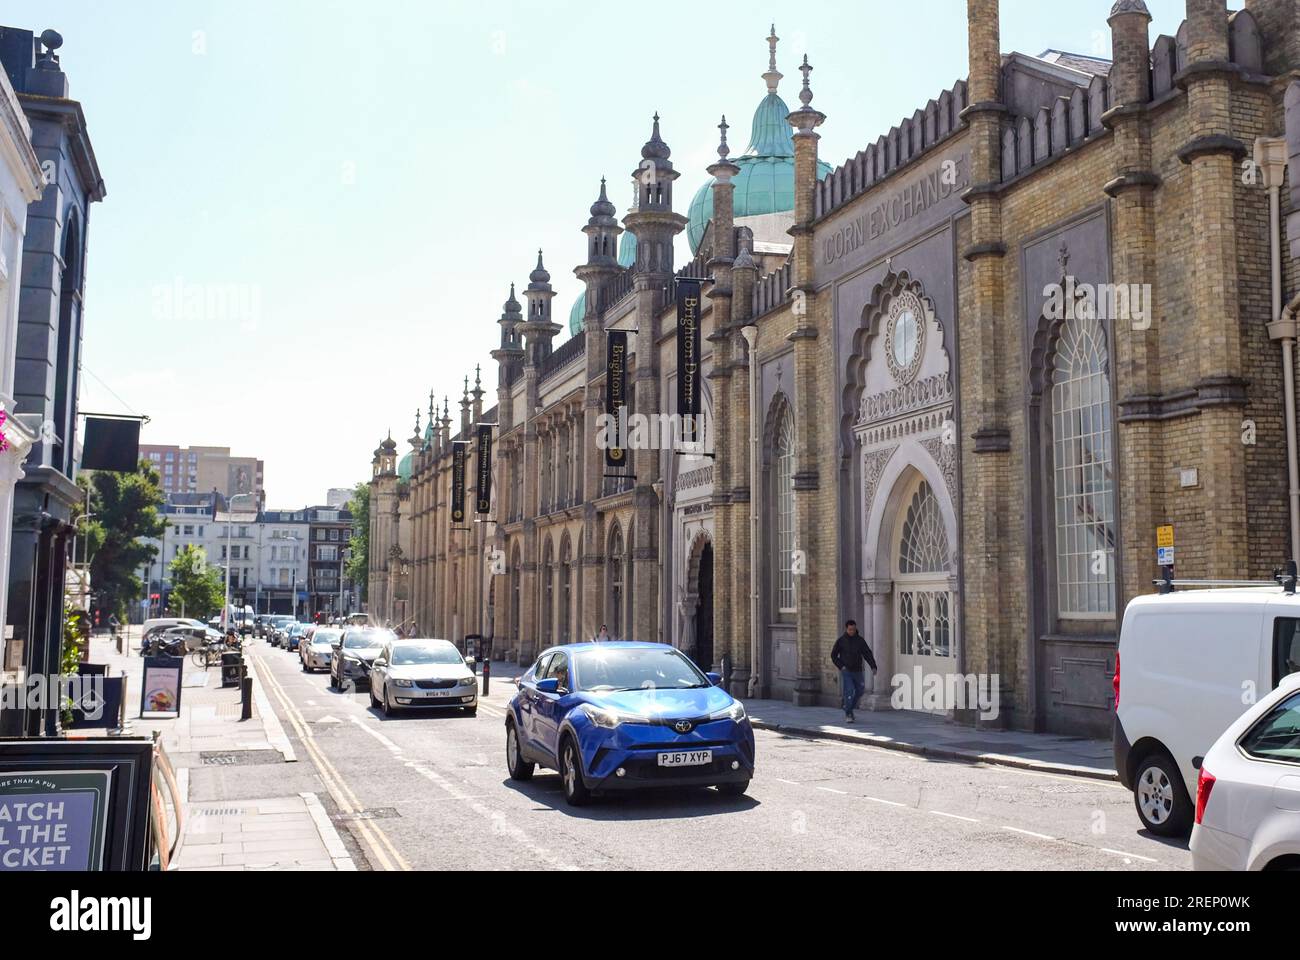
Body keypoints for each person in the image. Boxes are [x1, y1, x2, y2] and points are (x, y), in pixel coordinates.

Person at [830, 620, 877, 723]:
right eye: (850, 629)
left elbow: (867, 653)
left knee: (860, 689)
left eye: (854, 629)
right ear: (846, 629)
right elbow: (833, 655)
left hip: (857, 670)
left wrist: (873, 666)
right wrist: (841, 666)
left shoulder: (860, 641)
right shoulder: (841, 641)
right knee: (849, 690)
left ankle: (848, 707)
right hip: (846, 670)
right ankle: (848, 713)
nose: (852, 631)